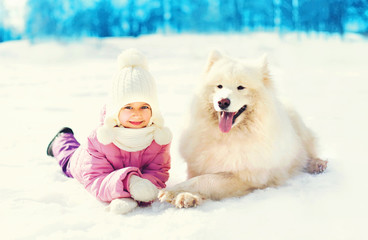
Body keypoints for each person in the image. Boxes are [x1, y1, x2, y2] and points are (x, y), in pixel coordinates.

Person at [46, 49, 172, 214]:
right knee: (68, 156)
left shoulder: (158, 140)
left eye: (144, 107)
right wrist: (129, 184)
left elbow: (157, 173)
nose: (137, 113)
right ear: (115, 110)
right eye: (128, 107)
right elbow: (95, 180)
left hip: (116, 179)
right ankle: (62, 138)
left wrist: (142, 189)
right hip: (82, 165)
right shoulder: (100, 139)